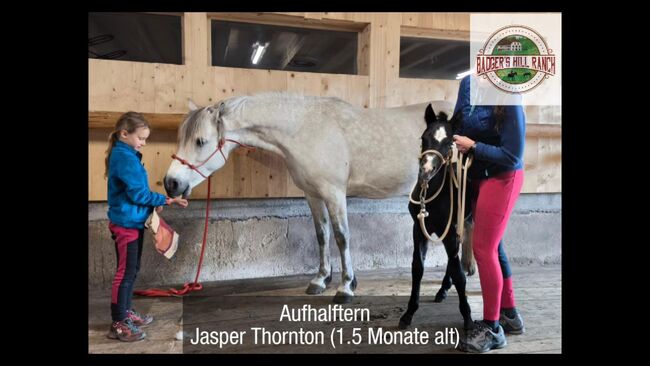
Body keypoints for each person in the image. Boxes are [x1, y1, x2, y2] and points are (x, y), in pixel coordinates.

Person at [452, 75, 526, 353]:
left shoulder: (511, 98)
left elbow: (513, 155)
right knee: (495, 247)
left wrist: (473, 147)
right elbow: (459, 120)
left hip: (502, 176)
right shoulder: (468, 84)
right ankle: (509, 315)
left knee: (483, 249)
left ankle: (493, 328)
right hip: (477, 174)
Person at [104, 111, 188, 342]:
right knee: (125, 273)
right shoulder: (124, 157)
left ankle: (125, 310)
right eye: (141, 138)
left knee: (131, 270)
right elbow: (138, 192)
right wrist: (165, 200)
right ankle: (119, 323)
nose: (144, 142)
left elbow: (134, 193)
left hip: (133, 220)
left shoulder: (127, 153)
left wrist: (152, 206)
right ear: (124, 134)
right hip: (126, 224)